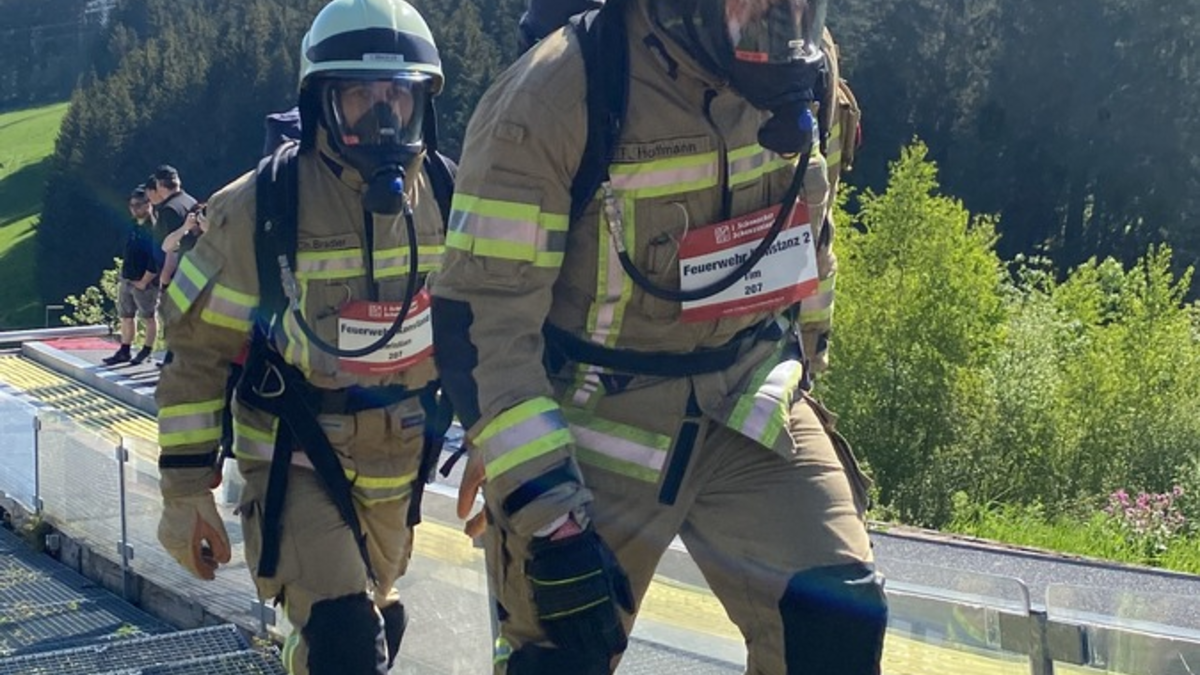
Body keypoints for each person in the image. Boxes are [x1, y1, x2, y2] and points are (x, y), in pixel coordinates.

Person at [430, 0, 886, 673]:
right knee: (561, 656)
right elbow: (483, 322)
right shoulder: (554, 96)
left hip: (750, 399)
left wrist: (807, 362)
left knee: (839, 627)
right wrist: (541, 506)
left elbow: (813, 233)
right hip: (594, 421)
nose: (783, 26)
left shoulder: (805, 60)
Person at [154, 1, 452, 672]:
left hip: (400, 457)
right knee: (352, 641)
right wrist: (185, 491)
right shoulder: (258, 208)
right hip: (295, 452)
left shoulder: (449, 196)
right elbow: (196, 353)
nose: (382, 118)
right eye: (358, 98)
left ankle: (305, 651)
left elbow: (485, 333)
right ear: (321, 102)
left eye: (397, 99)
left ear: (421, 104)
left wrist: (501, 448)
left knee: (378, 615)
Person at [103, 186, 160, 366]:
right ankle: (125, 349)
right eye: (132, 205)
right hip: (127, 277)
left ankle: (147, 350)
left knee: (148, 316)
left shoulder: (155, 228)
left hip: (146, 282)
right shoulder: (133, 225)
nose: (134, 209)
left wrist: (145, 280)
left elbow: (156, 258)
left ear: (148, 204)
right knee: (126, 315)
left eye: (138, 205)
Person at [150, 164, 198, 288]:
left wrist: (165, 279)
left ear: (159, 185)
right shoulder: (190, 200)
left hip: (181, 273)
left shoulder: (169, 210)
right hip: (199, 263)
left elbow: (171, 248)